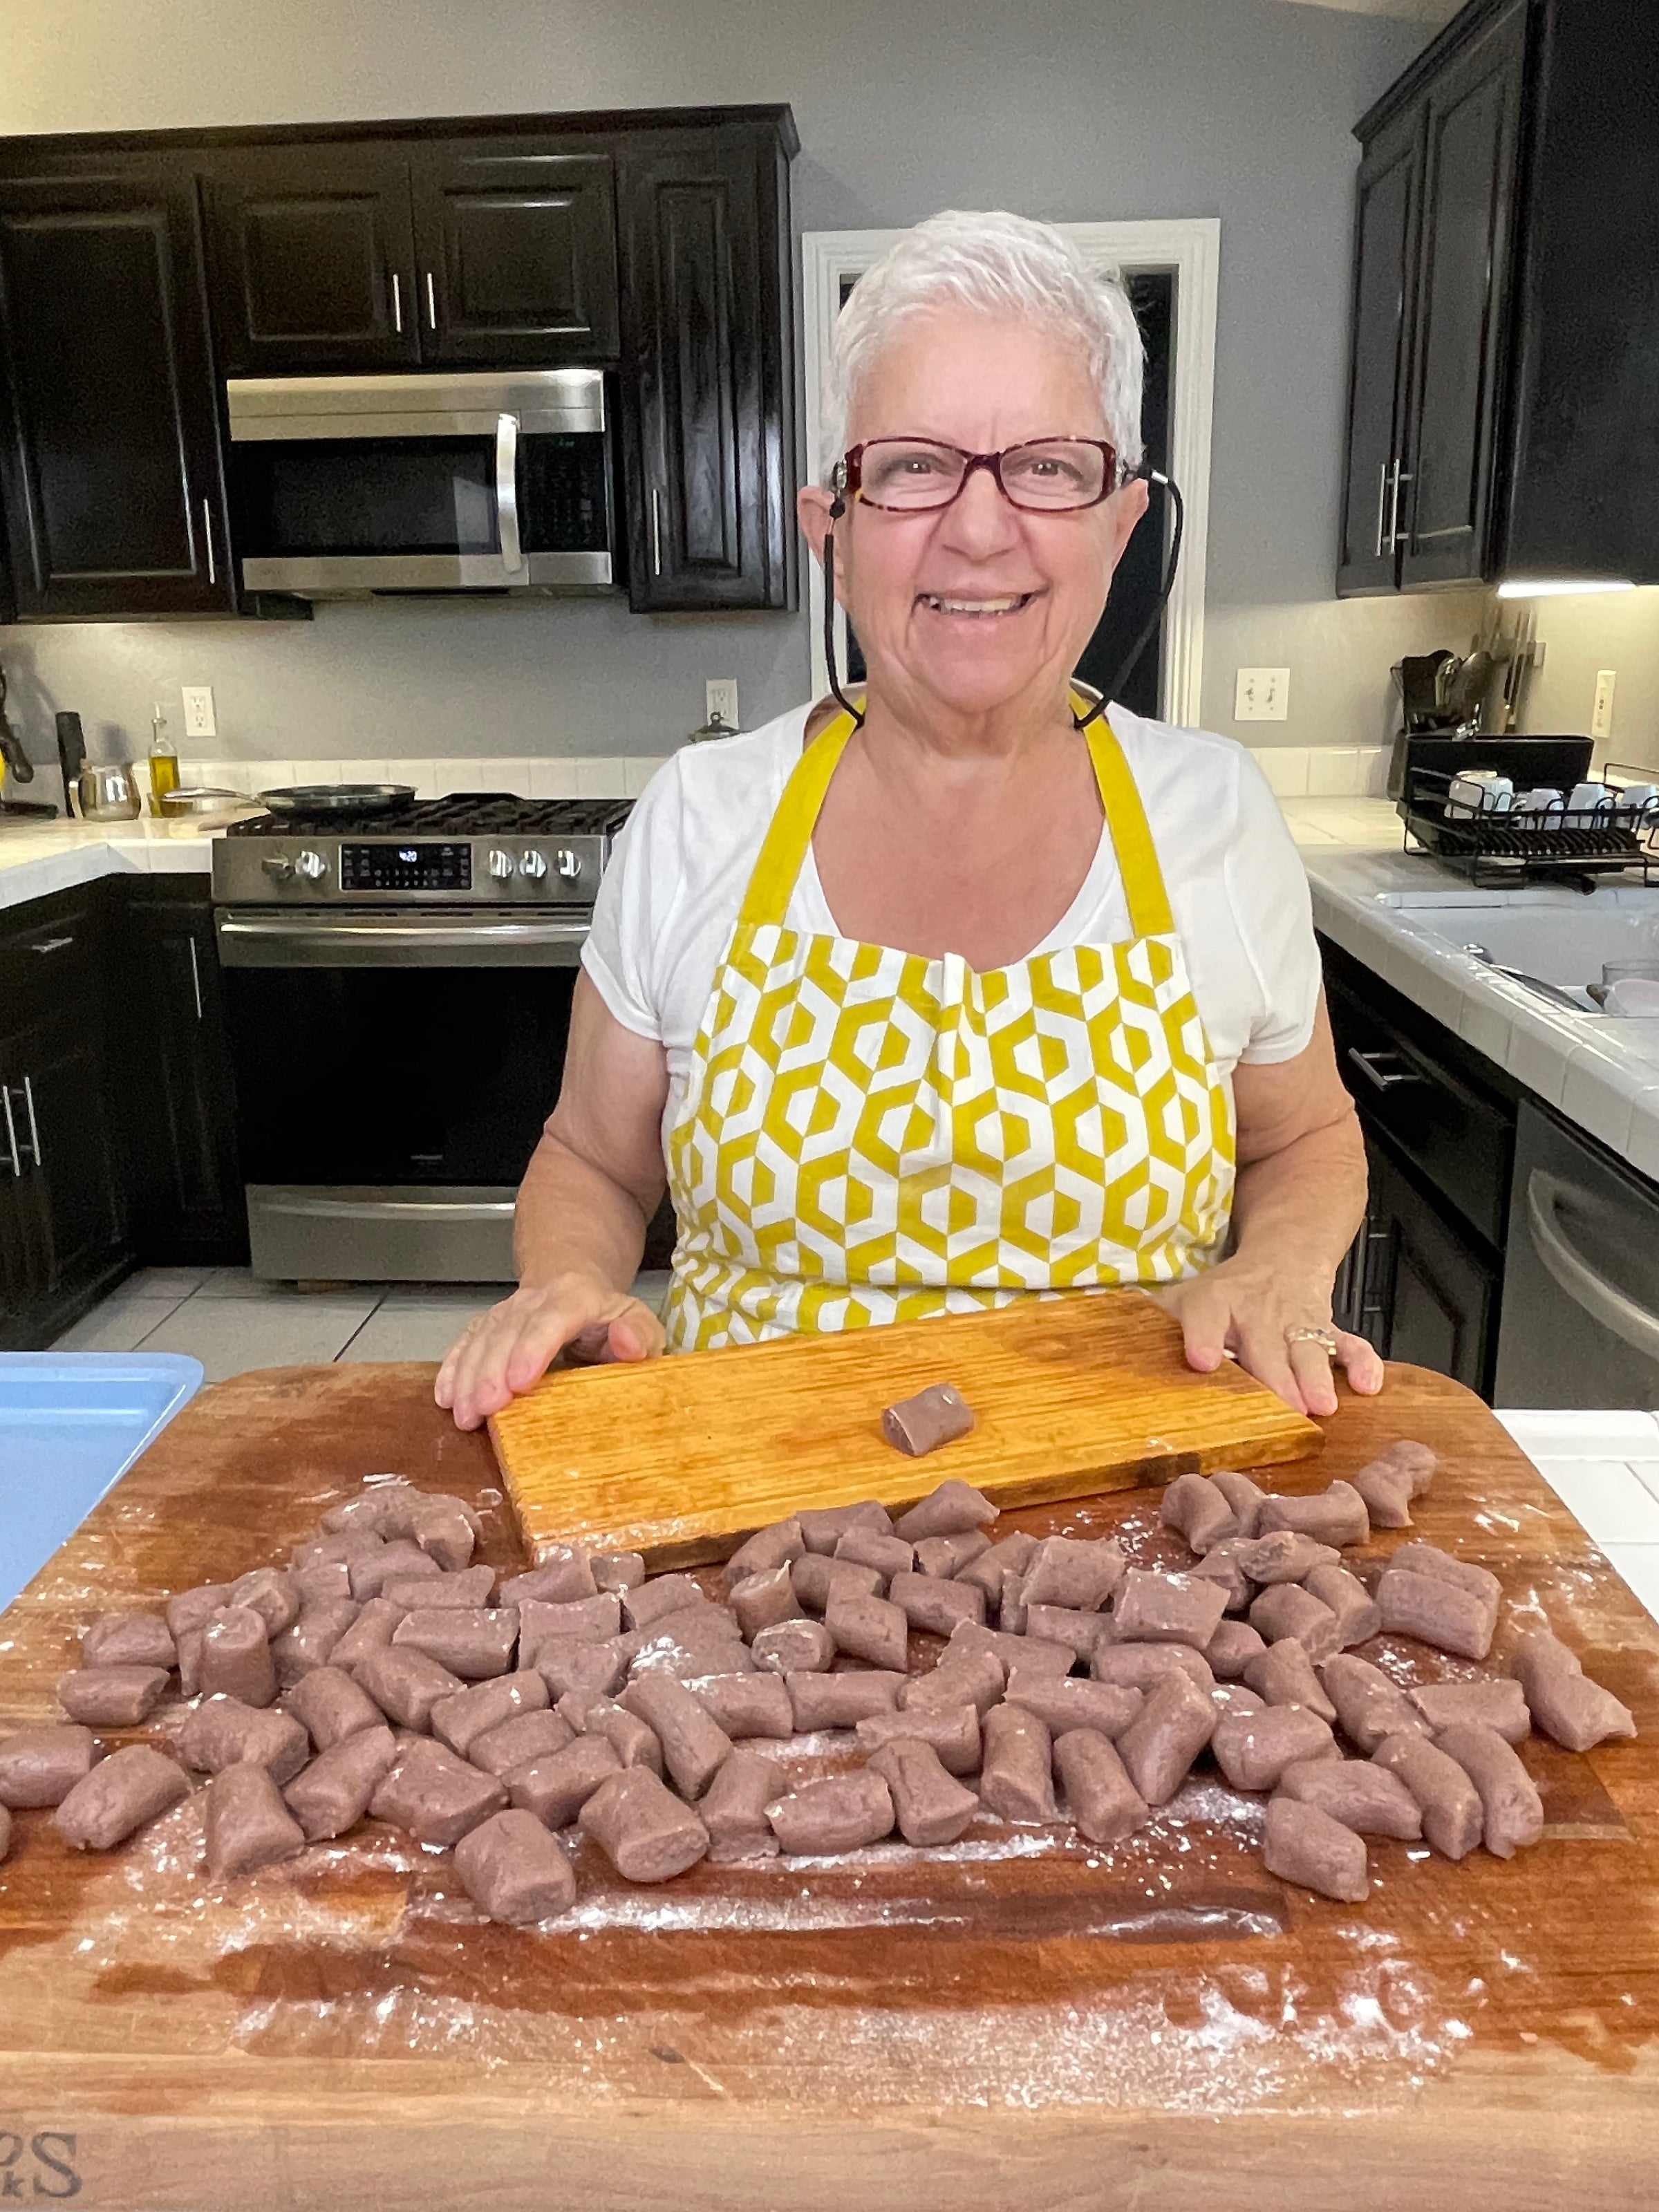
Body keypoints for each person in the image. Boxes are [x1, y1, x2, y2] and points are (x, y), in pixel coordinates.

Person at [437, 209, 1382, 1433]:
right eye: (915, 466)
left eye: (1047, 465)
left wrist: (1279, 1266)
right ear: (833, 530)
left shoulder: (1215, 815)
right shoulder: (700, 816)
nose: (979, 529)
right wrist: (569, 1278)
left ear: (1122, 525)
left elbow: (1307, 1138)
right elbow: (594, 1160)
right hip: (746, 1529)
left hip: (1142, 1550)